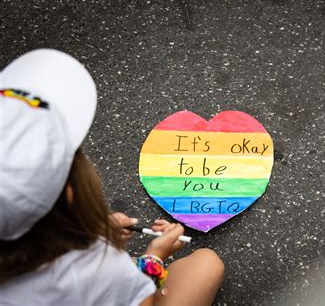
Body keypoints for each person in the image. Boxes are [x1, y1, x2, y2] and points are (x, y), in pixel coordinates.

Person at [0, 49, 224, 306]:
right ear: (70, 192)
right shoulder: (100, 270)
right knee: (207, 264)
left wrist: (97, 234)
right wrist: (154, 259)